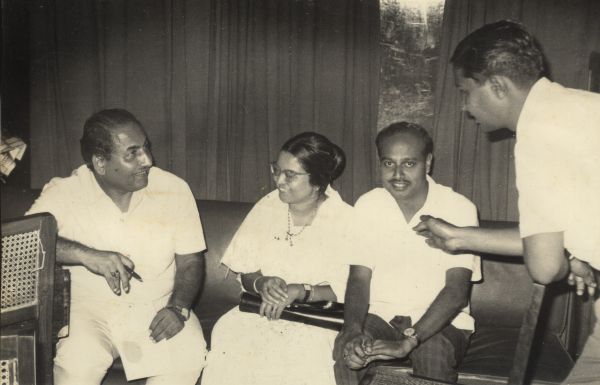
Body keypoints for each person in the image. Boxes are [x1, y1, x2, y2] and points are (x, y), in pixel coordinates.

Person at [413, 20, 600, 383]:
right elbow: (552, 236)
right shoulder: (583, 106)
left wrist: (563, 261)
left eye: (466, 91)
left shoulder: (539, 132)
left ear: (498, 86)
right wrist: (459, 237)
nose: (465, 107)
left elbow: (544, 266)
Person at [27, 109, 207, 385]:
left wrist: (178, 307)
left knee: (187, 358)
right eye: (132, 153)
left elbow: (191, 260)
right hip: (88, 312)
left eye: (145, 147)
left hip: (157, 306)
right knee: (76, 369)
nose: (147, 160)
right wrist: (85, 255)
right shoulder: (65, 192)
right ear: (100, 162)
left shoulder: (173, 189)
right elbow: (23, 242)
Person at [333, 122, 481, 384]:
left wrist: (409, 339)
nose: (397, 174)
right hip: (381, 317)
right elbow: (359, 278)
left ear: (428, 163)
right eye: (389, 163)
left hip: (442, 323)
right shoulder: (369, 204)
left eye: (409, 164)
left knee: (432, 350)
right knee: (348, 349)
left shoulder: (459, 207)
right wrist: (353, 330)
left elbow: (456, 293)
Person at [201, 132, 352, 385]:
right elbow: (246, 271)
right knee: (230, 333)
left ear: (317, 180)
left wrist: (301, 290)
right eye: (276, 170)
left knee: (299, 353)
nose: (279, 181)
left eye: (290, 175)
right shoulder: (268, 206)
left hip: (314, 320)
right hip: (260, 311)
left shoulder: (346, 219)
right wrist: (262, 283)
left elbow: (349, 288)